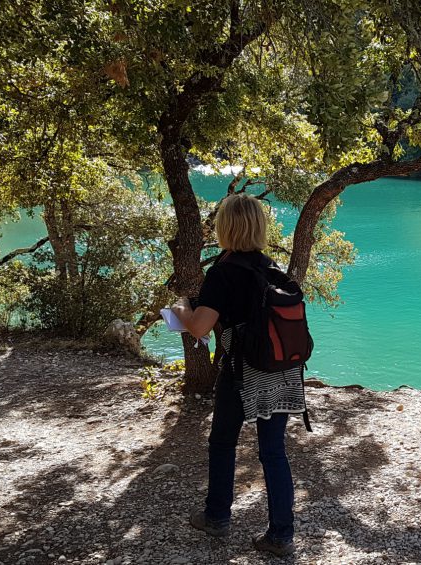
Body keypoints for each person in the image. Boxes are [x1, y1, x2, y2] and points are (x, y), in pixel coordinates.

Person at [170, 193, 301, 557]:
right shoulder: (271, 267)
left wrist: (181, 306)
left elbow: (199, 327)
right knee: (274, 452)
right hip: (283, 369)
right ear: (259, 226)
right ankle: (281, 536)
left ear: (225, 228)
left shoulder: (223, 272)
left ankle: (216, 517)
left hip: (243, 370)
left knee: (223, 442)